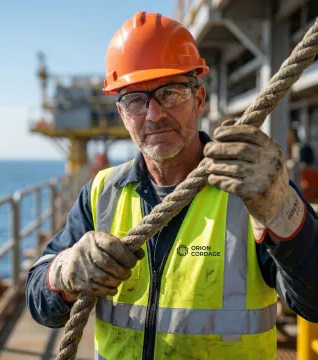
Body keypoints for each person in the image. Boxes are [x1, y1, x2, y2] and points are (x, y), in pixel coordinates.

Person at [26, 11, 318, 360]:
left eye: (171, 92)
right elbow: (39, 303)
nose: (154, 114)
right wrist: (64, 271)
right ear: (122, 114)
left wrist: (282, 210)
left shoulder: (251, 188)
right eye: (135, 99)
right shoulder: (101, 193)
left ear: (198, 99)